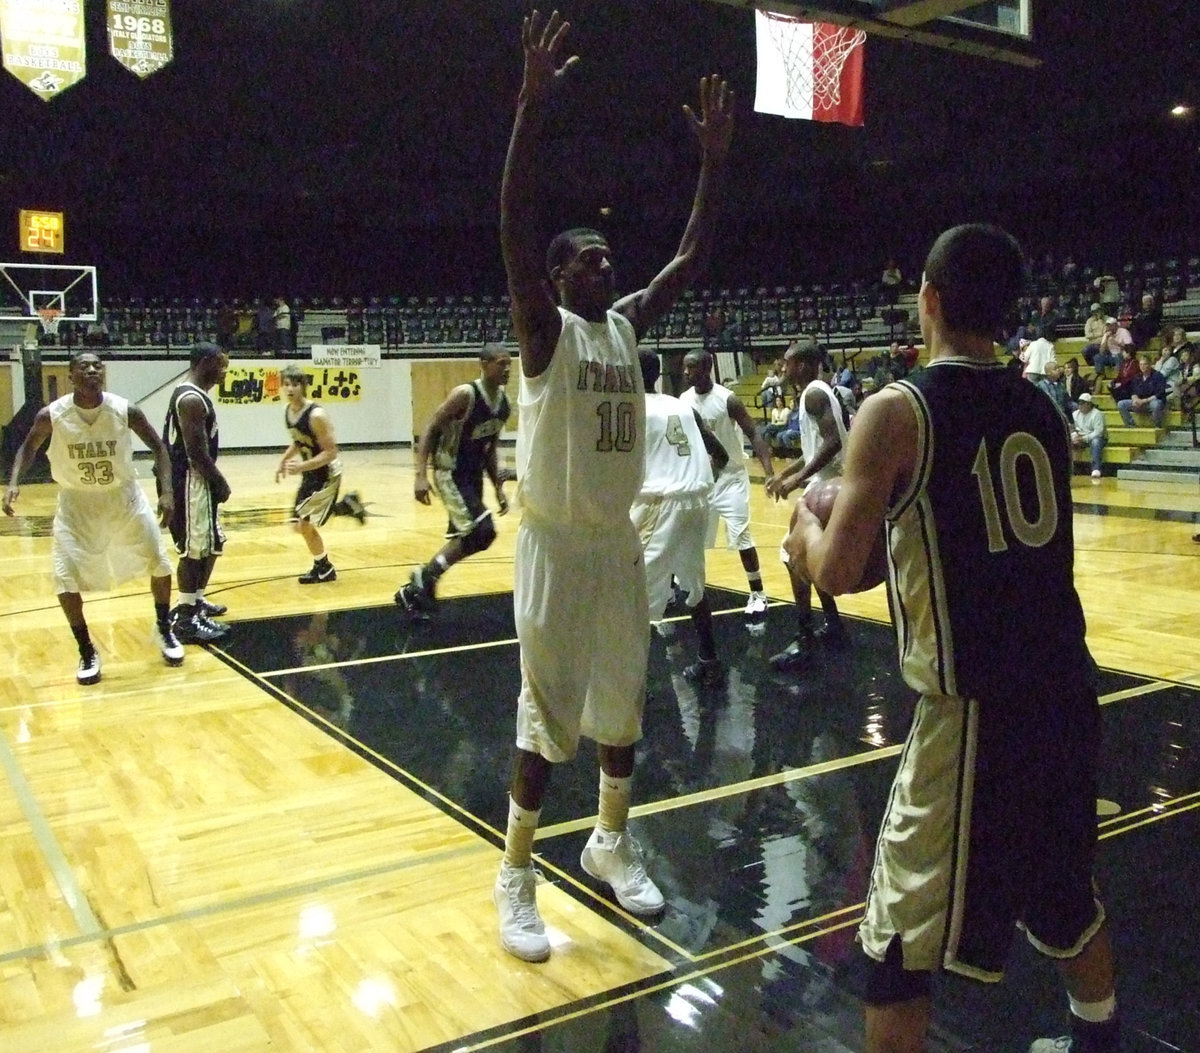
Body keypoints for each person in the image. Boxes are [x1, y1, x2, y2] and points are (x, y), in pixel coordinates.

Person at [783, 224, 1118, 1053]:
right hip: (1066, 695)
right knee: (1062, 897)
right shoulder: (1044, 407)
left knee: (897, 940)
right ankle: (1098, 1040)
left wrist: (805, 528)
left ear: (928, 300)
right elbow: (967, 547)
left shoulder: (897, 410)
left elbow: (835, 570)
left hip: (976, 715)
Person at [493, 9, 733, 964]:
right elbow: (510, 218)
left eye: (605, 255)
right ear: (554, 276)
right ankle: (514, 872)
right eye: (585, 256)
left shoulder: (630, 325)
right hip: (554, 547)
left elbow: (689, 256)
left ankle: (610, 841)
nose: (605, 263)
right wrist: (528, 108)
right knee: (544, 720)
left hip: (617, 546)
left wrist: (712, 164)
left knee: (622, 711)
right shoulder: (544, 331)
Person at [2, 351, 185, 683]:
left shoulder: (124, 410)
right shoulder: (52, 415)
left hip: (124, 498)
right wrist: (14, 482)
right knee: (64, 579)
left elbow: (160, 446)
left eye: (97, 366)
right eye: (83, 366)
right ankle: (86, 650)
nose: (91, 370)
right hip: (76, 505)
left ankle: (163, 628)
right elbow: (28, 448)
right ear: (71, 376)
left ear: (104, 373)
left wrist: (167, 491)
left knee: (159, 563)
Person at [633, 350, 729, 685]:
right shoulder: (682, 405)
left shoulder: (631, 409)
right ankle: (709, 660)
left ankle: (630, 687)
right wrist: (698, 482)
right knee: (694, 585)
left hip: (662, 502)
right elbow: (721, 454)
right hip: (696, 501)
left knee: (633, 595)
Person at [395, 343, 512, 614]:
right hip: (450, 472)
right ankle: (425, 576)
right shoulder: (465, 395)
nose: (506, 369)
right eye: (500, 363)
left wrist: (498, 488)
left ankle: (421, 583)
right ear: (483, 364)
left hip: (472, 476)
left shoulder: (503, 405)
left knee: (474, 536)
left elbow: (490, 448)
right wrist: (420, 474)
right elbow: (431, 427)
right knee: (483, 531)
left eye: (509, 363)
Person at [763, 337, 851, 672]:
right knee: (808, 559)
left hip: (827, 487)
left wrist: (796, 481)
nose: (783, 369)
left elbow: (831, 444)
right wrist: (785, 473)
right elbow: (816, 447)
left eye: (787, 363)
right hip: (826, 482)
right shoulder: (816, 392)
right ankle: (833, 624)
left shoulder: (814, 394)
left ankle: (804, 639)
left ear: (800, 364)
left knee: (793, 557)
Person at [679, 349, 774, 623]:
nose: (687, 373)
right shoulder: (684, 401)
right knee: (693, 539)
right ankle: (691, 590)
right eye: (685, 368)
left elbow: (754, 432)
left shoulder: (727, 399)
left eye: (692, 367)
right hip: (703, 479)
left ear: (708, 367)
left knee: (742, 537)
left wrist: (768, 471)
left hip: (731, 477)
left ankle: (758, 593)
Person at [163, 342, 232, 643]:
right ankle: (185, 618)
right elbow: (196, 454)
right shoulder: (191, 399)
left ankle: (196, 600)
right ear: (204, 363)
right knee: (193, 550)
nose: (224, 371)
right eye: (220, 365)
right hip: (191, 481)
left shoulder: (192, 395)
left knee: (212, 544)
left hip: (197, 480)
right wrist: (220, 483)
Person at [276, 365, 365, 585]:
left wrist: (301, 467)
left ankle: (324, 568)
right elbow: (299, 440)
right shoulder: (289, 412)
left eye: (295, 384)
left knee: (303, 524)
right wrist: (284, 460)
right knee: (299, 523)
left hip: (326, 473)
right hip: (311, 473)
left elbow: (331, 452)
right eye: (286, 384)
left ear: (303, 386)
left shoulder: (316, 415)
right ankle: (346, 506)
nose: (290, 389)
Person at [1117, 353, 1167, 428]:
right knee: (1121, 404)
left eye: (1145, 364)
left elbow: (1159, 394)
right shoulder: (1137, 377)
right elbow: (1133, 391)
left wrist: (1144, 401)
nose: (1142, 366)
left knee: (1156, 404)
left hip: (1151, 402)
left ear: (1150, 365)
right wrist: (1135, 399)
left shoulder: (1158, 376)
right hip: (1140, 403)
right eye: (1141, 364)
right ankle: (1131, 425)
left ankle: (1157, 425)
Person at [1072, 392, 1107, 479]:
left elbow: (1099, 432)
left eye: (1082, 403)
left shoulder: (1097, 414)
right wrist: (1074, 436)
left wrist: (1084, 438)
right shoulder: (1075, 414)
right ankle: (1069, 468)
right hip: (1080, 437)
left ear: (1089, 404)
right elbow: (1072, 427)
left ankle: (1096, 468)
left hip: (1096, 438)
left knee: (1096, 441)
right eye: (1079, 403)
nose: (1080, 405)